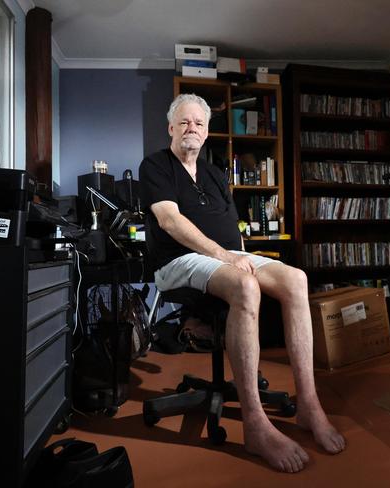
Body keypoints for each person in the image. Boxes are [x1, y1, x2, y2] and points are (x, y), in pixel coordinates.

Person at [139, 93, 345, 473]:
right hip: (177, 261)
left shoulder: (215, 172)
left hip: (228, 256)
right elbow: (168, 220)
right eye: (184, 122)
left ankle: (309, 405)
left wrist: (243, 256)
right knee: (246, 287)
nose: (192, 129)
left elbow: (234, 230)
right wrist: (225, 256)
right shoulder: (155, 165)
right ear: (170, 128)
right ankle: (254, 423)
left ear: (206, 131)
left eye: (199, 123)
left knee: (296, 279)